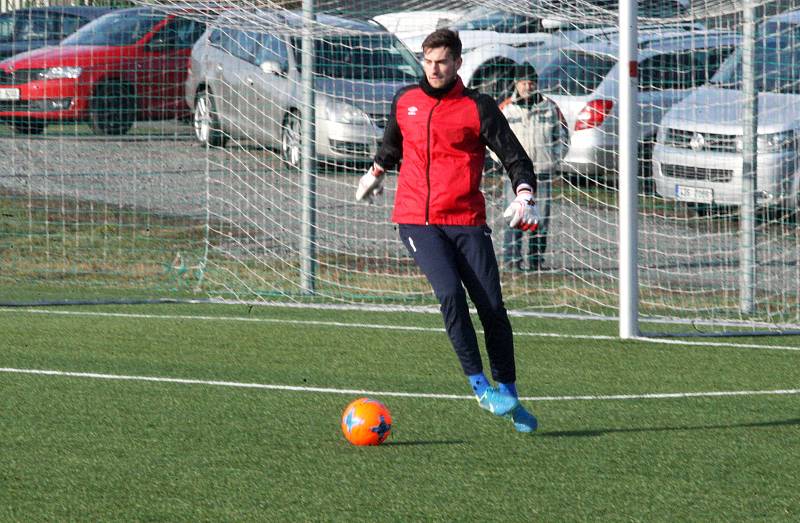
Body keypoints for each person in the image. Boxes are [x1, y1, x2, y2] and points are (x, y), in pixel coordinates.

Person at [355, 28, 540, 433]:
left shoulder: (478, 107)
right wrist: (376, 172)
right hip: (416, 220)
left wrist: (525, 195)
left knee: (492, 308)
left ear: (457, 63)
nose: (434, 68)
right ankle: (480, 389)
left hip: (467, 221)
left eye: (442, 61)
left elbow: (515, 158)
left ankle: (508, 393)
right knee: (451, 295)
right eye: (428, 60)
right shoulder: (405, 101)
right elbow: (392, 144)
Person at [498, 63, 568, 271]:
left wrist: (553, 159)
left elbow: (563, 138)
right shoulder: (506, 108)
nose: (527, 86)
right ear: (516, 84)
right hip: (515, 175)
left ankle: (536, 260)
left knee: (541, 218)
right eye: (523, 83)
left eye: (531, 83)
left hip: (542, 172)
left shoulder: (550, 107)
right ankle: (512, 261)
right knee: (515, 216)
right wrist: (504, 160)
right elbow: (493, 139)